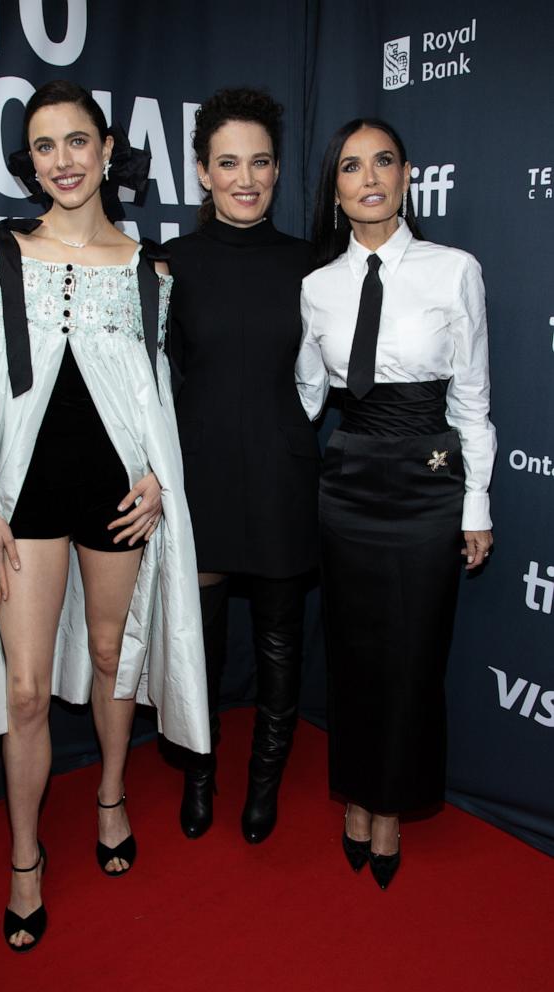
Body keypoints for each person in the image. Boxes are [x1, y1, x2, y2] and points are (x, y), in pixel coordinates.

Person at [0, 80, 209, 950]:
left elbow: (152, 395)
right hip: (21, 499)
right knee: (22, 691)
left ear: (106, 145)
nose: (63, 162)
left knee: (106, 652)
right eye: (44, 147)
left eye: (76, 141)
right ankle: (24, 857)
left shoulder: (148, 269)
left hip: (117, 495)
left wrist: (161, 480)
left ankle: (112, 793)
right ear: (30, 162)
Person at [297, 118, 496, 888]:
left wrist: (474, 501)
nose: (369, 177)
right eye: (351, 166)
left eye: (383, 161)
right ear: (337, 189)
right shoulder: (316, 286)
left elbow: (472, 396)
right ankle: (356, 797)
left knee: (413, 655)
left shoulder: (453, 271)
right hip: (347, 481)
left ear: (407, 175)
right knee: (351, 653)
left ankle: (391, 807)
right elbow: (306, 394)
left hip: (428, 479)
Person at [165, 88, 319, 844]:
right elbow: (156, 382)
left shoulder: (311, 260)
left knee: (280, 644)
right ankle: (200, 775)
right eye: (227, 162)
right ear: (201, 172)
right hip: (200, 478)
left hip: (283, 474)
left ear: (277, 168)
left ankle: (264, 782)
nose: (245, 177)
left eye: (259, 161)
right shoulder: (168, 264)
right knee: (201, 640)